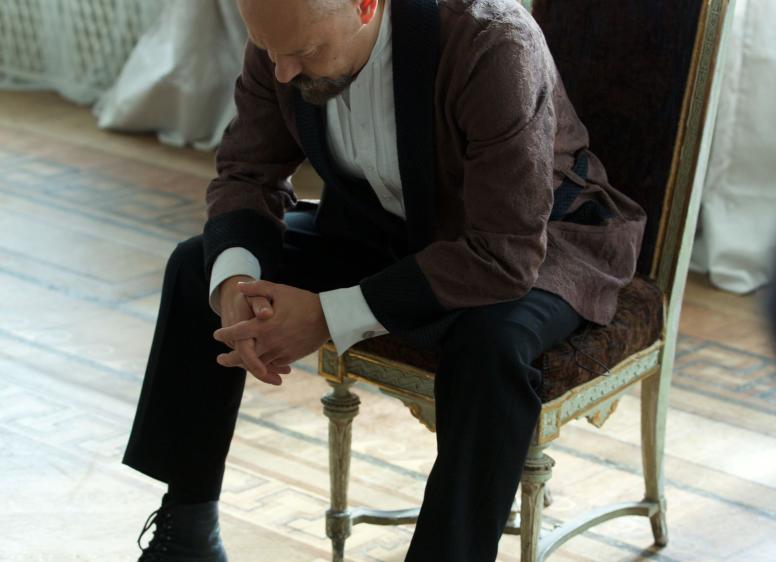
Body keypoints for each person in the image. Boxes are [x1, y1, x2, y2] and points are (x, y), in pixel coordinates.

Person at [124, 0, 646, 560]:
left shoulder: (494, 44)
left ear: (365, 5)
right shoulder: (283, 38)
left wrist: (327, 316)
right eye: (270, 51)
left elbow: (504, 251)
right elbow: (246, 174)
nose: (283, 72)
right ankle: (188, 531)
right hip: (381, 227)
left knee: (492, 347)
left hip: (536, 244)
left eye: (303, 52)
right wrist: (234, 287)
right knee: (199, 266)